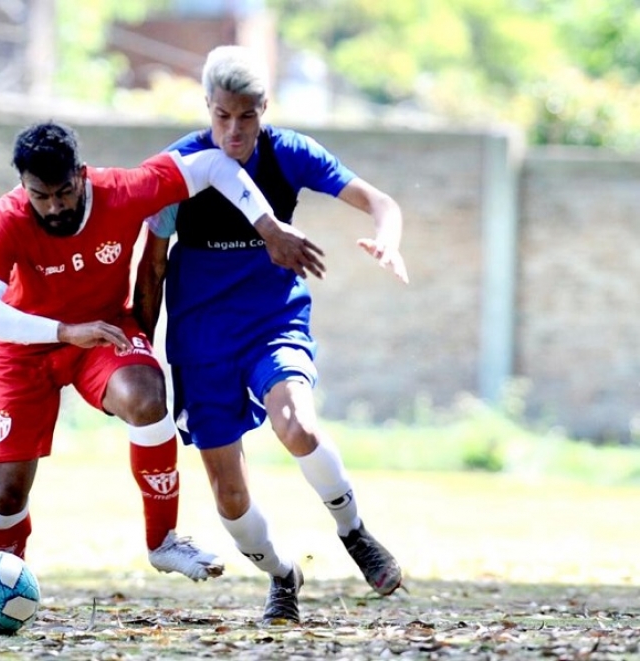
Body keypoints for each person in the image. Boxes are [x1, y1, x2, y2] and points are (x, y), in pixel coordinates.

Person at [0, 121, 320, 581]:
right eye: (39, 195)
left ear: (82, 175)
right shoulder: (7, 217)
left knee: (148, 398)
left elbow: (210, 164)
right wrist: (65, 331)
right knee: (7, 495)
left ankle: (163, 541)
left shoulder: (124, 190)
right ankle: (8, 578)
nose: (53, 207)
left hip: (104, 333)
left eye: (64, 192)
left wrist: (267, 226)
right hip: (24, 346)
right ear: (23, 187)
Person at [134, 45, 409, 624]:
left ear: (264, 108)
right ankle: (283, 576)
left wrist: (388, 238)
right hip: (199, 337)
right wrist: (139, 343)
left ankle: (354, 533)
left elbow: (381, 202)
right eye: (222, 117)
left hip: (271, 321)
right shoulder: (177, 167)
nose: (234, 130)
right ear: (207, 107)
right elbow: (153, 263)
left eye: (247, 116)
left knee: (298, 425)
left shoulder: (289, 154)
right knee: (230, 497)